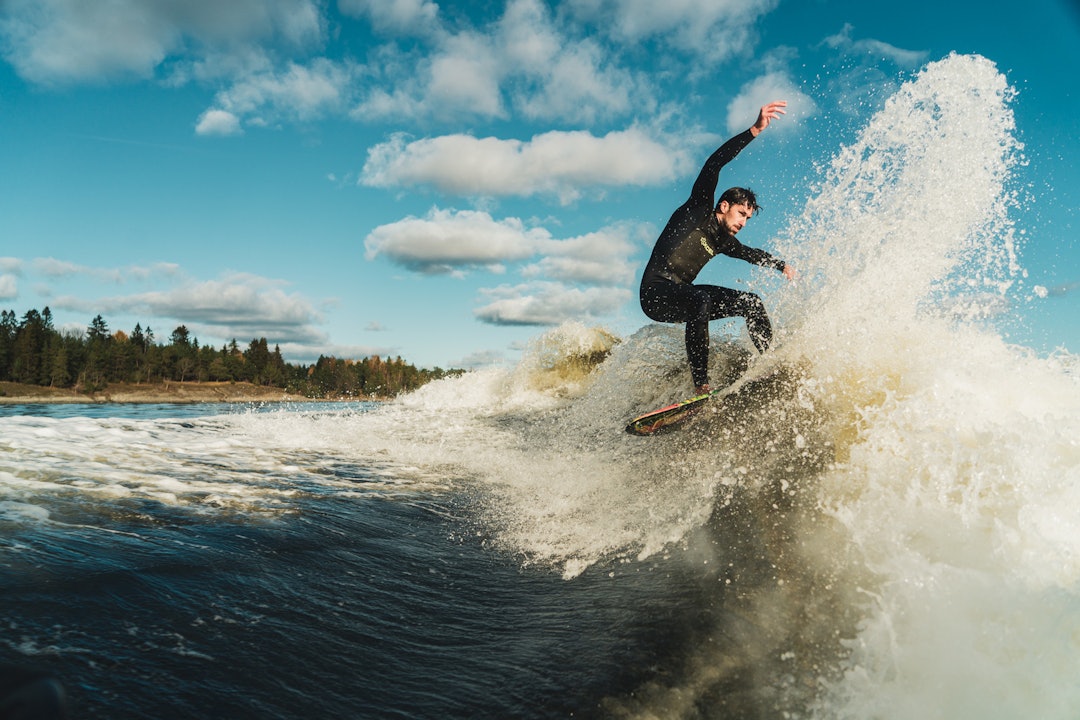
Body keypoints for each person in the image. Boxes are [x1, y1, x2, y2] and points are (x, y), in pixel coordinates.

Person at [639, 101, 796, 394]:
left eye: (748, 218)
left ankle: (768, 365)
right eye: (741, 214)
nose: (744, 222)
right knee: (699, 297)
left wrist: (781, 265)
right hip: (655, 294)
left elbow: (752, 254)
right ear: (724, 206)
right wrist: (755, 130)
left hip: (683, 298)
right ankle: (701, 386)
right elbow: (714, 162)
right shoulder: (697, 209)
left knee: (752, 302)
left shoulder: (724, 241)